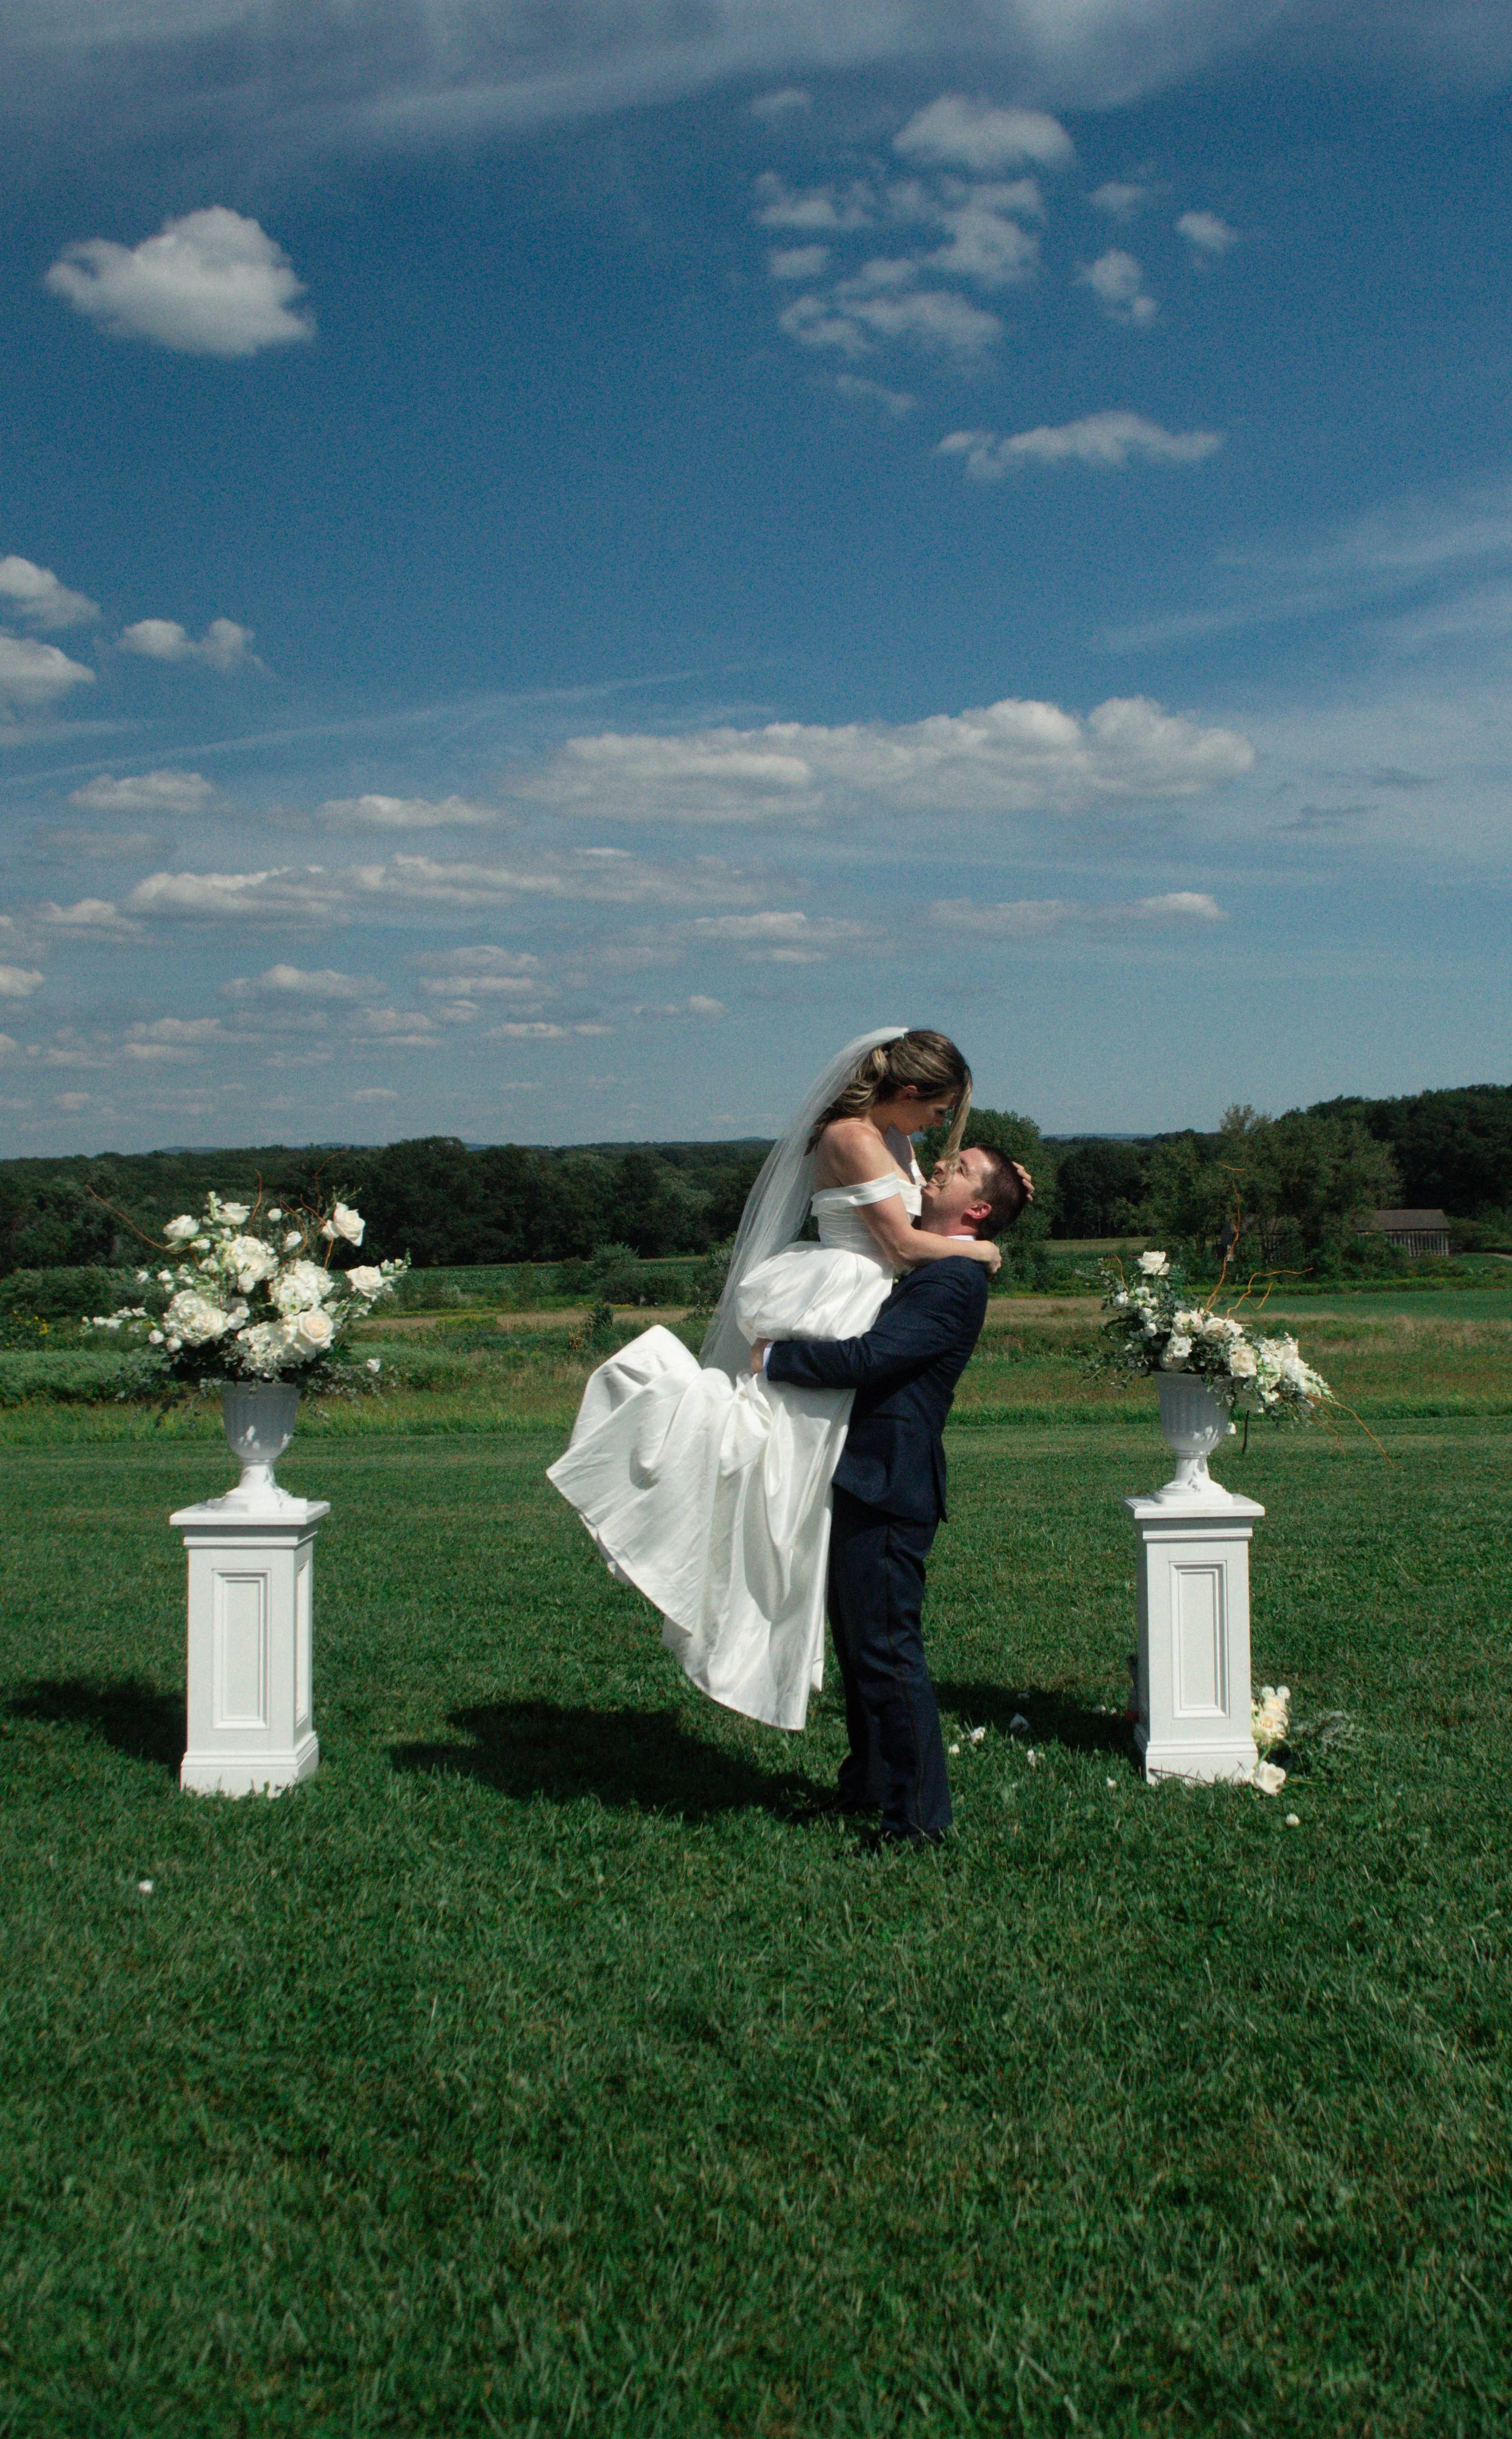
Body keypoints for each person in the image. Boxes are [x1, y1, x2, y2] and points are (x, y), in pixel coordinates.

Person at [547, 1029, 1028, 1732]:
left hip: (872, 1296)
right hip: (845, 1287)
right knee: (771, 1453)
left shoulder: (898, 1140)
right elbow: (899, 1241)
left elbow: (932, 1206)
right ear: (912, 1091)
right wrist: (981, 1245)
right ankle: (660, 1434)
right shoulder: (854, 1137)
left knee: (800, 1478)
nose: (939, 1131)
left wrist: (1006, 1191)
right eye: (939, 1111)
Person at [754, 1142, 1027, 1845]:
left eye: (958, 1168)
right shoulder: (939, 1259)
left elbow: (872, 1360)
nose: (939, 1166)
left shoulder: (952, 1282)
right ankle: (869, 1784)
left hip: (890, 1481)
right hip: (865, 1473)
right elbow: (901, 1186)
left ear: (976, 1210)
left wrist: (776, 1358)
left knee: (888, 1651)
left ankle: (916, 1820)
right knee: (861, 1648)